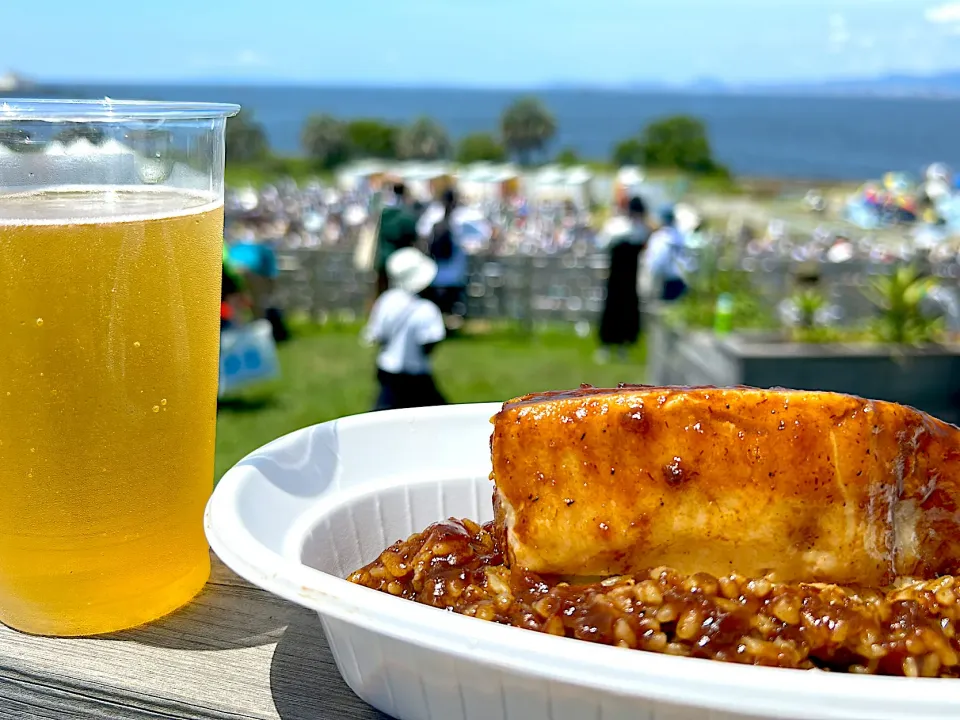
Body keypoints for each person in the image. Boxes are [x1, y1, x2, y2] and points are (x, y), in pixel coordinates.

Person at [363, 247, 447, 411]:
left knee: (383, 417)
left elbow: (377, 334)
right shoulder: (426, 309)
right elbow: (429, 342)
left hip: (387, 369)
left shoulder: (386, 300)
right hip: (416, 375)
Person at [596, 195, 651, 363]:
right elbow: (602, 242)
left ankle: (623, 346)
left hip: (630, 280)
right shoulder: (617, 226)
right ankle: (605, 346)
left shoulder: (641, 229)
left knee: (627, 312)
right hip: (615, 279)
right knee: (611, 310)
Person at [425, 188, 469, 328]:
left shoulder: (432, 216)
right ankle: (449, 323)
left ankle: (442, 324)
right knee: (451, 301)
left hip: (437, 270)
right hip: (453, 271)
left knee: (439, 302)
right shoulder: (462, 218)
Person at [373, 182, 419, 299]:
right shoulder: (406, 215)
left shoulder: (384, 213)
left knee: (382, 291)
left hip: (383, 257)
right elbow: (413, 237)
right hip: (399, 260)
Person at [642, 206, 689, 302]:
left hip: (665, 282)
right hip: (682, 281)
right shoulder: (681, 235)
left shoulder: (659, 238)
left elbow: (655, 264)